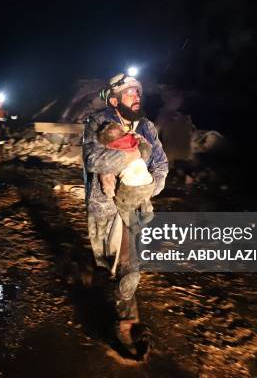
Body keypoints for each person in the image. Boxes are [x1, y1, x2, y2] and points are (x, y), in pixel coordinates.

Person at [83, 72, 168, 357]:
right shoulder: (96, 121)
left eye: (138, 92)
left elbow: (161, 165)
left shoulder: (146, 127)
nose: (137, 97)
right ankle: (119, 313)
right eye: (131, 92)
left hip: (135, 207)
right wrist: (133, 155)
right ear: (115, 98)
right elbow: (93, 159)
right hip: (106, 207)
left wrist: (148, 187)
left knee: (129, 269)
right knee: (115, 266)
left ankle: (126, 320)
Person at [97, 122, 154, 230]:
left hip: (129, 187)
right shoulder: (134, 139)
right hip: (149, 182)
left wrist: (109, 191)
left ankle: (133, 225)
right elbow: (147, 148)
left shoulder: (111, 153)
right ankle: (147, 211)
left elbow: (106, 172)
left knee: (123, 206)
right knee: (144, 198)